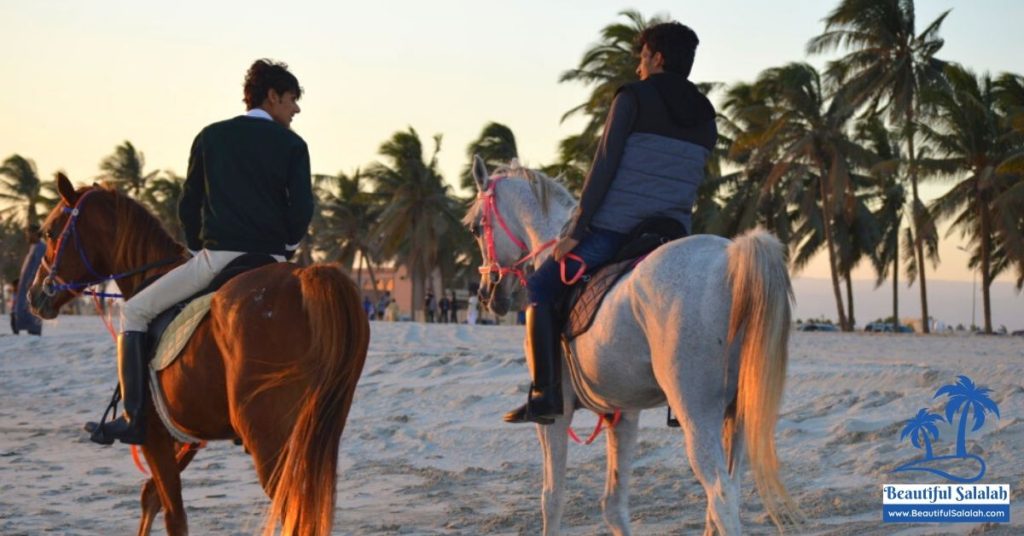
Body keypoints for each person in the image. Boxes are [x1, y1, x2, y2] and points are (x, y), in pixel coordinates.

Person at [86, 59, 313, 445]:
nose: (296, 109)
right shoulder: (293, 144)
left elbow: (188, 205)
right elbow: (302, 208)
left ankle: (134, 418)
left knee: (134, 311)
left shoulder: (211, 137)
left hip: (218, 259)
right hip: (273, 260)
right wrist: (286, 248)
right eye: (292, 99)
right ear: (272, 96)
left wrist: (196, 249)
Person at [504, 22, 717, 425]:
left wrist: (574, 233)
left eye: (642, 58)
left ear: (655, 58)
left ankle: (544, 393)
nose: (639, 67)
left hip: (616, 230)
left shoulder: (632, 97)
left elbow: (603, 167)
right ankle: (680, 401)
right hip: (672, 236)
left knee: (541, 286)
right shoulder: (706, 115)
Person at [13, 226, 45, 336]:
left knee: (32, 307)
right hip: (25, 284)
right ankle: (24, 328)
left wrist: (32, 280)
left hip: (32, 285)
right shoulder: (34, 247)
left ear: (36, 234)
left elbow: (38, 265)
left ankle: (34, 330)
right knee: (23, 307)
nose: (27, 236)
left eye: (29, 233)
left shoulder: (41, 247)